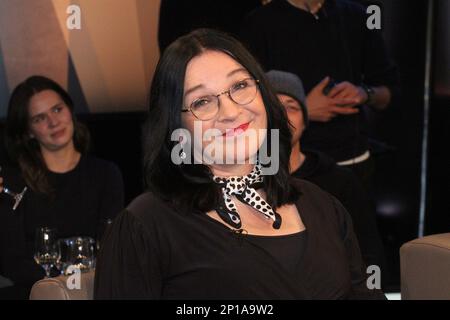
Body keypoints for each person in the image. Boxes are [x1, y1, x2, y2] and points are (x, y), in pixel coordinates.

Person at [94, 29, 385, 300]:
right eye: (202, 102)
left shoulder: (324, 206)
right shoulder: (144, 226)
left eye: (240, 85)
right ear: (175, 126)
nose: (231, 111)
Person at [240, 0, 399, 189]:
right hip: (289, 167)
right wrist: (304, 109)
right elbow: (246, 104)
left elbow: (390, 92)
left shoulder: (357, 15)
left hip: (353, 162)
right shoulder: (259, 23)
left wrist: (364, 93)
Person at [0, 76, 124, 299]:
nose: (53, 122)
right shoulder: (14, 183)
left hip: (93, 290)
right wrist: (60, 282)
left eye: (57, 109)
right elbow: (11, 262)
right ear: (28, 131)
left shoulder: (106, 173)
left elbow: (112, 247)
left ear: (70, 110)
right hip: (34, 292)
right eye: (39, 118)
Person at [266, 69, 387, 286]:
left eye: (291, 107)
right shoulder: (240, 182)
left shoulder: (339, 181)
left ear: (305, 120)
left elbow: (369, 254)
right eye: (273, 108)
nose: (282, 116)